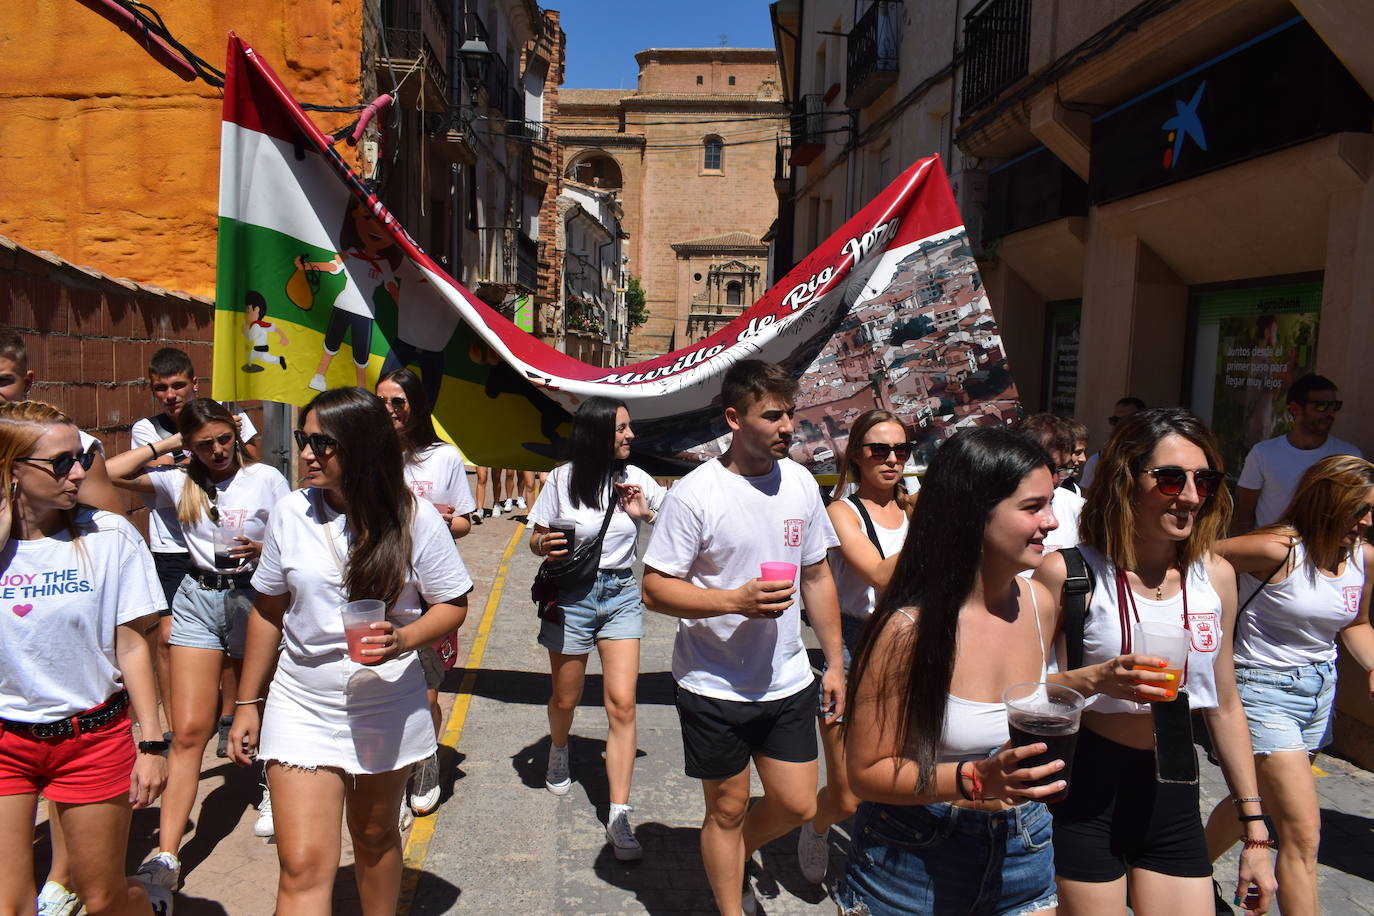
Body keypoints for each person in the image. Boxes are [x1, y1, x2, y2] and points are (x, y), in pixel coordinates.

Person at [227, 387, 471, 916]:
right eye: (304, 439)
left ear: (361, 447)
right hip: (302, 699)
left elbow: (452, 603)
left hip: (385, 700)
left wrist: (403, 638)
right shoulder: (291, 513)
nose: (308, 453)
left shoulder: (414, 518)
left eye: (324, 443)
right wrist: (248, 703)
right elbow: (269, 611)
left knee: (375, 834)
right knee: (302, 866)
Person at [1034, 408, 1277, 915]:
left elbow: (1225, 705)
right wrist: (1094, 679)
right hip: (1083, 784)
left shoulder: (1216, 577)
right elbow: (1020, 693)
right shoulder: (1069, 574)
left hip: (1171, 781)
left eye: (1204, 480)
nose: (1189, 495)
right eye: (1170, 479)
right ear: (1126, 481)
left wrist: (1255, 832)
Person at [642, 360, 845, 916]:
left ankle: (730, 853)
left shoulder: (800, 482)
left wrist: (834, 663)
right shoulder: (696, 493)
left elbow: (818, 575)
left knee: (798, 803)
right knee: (726, 810)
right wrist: (734, 600)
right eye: (773, 415)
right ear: (734, 418)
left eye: (791, 414)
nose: (788, 427)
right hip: (713, 683)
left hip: (786, 680)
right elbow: (656, 589)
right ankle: (731, 901)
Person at [835, 426, 1066, 916]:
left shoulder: (1040, 602)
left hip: (1024, 848)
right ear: (974, 514)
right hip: (911, 862)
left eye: (1051, 503)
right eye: (1033, 507)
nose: (1052, 522)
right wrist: (976, 779)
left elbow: (1027, 700)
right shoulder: (905, 630)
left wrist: (1096, 681)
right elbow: (866, 772)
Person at [107, 399, 289, 890]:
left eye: (225, 438)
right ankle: (166, 856)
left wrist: (264, 550)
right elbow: (105, 474)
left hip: (255, 599)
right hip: (197, 598)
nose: (218, 450)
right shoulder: (178, 479)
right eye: (205, 443)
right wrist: (169, 446)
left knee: (262, 705)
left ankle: (273, 783)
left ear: (236, 433)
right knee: (188, 730)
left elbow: (293, 538)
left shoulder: (267, 478)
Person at [0, 401, 168, 916]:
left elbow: (134, 642)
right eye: (60, 462)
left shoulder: (108, 537)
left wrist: (153, 741)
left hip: (90, 738)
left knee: (104, 900)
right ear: (12, 471)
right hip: (7, 741)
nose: (79, 472)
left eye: (83, 456)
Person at [1202, 455, 1374, 916]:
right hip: (1262, 689)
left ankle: (1186, 871)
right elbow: (1204, 557)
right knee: (1301, 835)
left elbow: (1356, 624)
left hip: (1320, 692)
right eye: (1360, 510)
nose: (1368, 522)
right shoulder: (1276, 549)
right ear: (1327, 504)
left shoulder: (1362, 557)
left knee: (1255, 795)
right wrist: (1217, 624)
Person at [0, 330, 130, 916]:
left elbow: (107, 544)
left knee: (98, 893)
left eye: (1, 379)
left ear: (26, 380)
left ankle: (62, 874)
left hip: (86, 721)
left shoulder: (67, 452)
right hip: (10, 725)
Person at [527, 396, 664, 861]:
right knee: (566, 697)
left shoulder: (636, 479)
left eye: (629, 428)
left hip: (622, 593)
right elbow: (534, 538)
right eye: (622, 428)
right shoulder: (562, 480)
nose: (631, 436)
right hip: (573, 598)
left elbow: (675, 528)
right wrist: (545, 542)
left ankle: (619, 814)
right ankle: (560, 747)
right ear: (596, 433)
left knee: (623, 704)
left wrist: (646, 514)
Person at [798, 409, 913, 885]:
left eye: (901, 450)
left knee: (893, 773)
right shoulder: (841, 511)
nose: (891, 460)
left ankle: (878, 870)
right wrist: (944, 532)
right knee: (846, 792)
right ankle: (819, 823)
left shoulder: (914, 506)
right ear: (856, 456)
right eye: (879, 450)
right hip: (848, 646)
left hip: (905, 643)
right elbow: (881, 574)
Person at [131, 347, 260, 756]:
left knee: (228, 634)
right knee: (169, 638)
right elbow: (141, 475)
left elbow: (253, 463)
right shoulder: (146, 430)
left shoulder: (227, 417)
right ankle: (176, 728)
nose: (170, 395)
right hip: (172, 545)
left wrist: (233, 437)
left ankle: (228, 716)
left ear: (194, 383)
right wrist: (175, 445)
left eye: (178, 386)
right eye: (161, 388)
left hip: (222, 542)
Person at [376, 368, 476, 816]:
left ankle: (426, 760)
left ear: (417, 406)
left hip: (430, 593)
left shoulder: (444, 457)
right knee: (383, 689)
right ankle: (395, 774)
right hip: (378, 588)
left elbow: (464, 524)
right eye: (382, 402)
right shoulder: (370, 454)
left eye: (399, 402)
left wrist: (434, 517)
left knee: (426, 693)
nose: (390, 411)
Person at [1232, 374, 1363, 534]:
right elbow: (1245, 511)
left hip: (1323, 554)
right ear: (1295, 409)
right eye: (1321, 406)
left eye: (1334, 406)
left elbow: (1356, 514)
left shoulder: (1349, 457)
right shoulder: (1263, 453)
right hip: (1270, 551)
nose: (1330, 413)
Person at [1017, 413, 1086, 558]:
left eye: (1064, 468)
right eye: (1049, 467)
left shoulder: (1077, 508)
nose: (1054, 479)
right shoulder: (995, 503)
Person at [1079, 396, 1144, 491]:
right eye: (1115, 420)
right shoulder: (1098, 460)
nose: (1119, 425)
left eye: (1126, 420)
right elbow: (1086, 496)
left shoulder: (1155, 456)